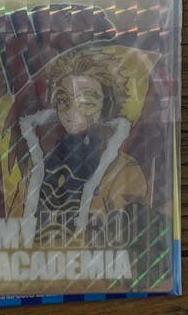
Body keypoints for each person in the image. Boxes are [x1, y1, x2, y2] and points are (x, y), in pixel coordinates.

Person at [9, 48, 147, 246]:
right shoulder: (37, 166)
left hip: (93, 263)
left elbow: (133, 240)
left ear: (107, 106)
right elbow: (11, 227)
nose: (72, 113)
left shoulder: (124, 170)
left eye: (87, 102)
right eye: (63, 100)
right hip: (34, 262)